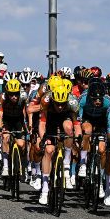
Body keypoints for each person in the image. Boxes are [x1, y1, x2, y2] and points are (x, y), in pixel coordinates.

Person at [37, 77, 80, 205]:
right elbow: (42, 124)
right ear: (53, 100)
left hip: (65, 119)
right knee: (49, 150)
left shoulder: (72, 102)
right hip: (50, 119)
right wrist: (43, 138)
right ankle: (44, 189)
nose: (60, 106)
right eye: (57, 104)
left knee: (68, 128)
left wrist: (77, 138)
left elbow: (76, 124)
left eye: (63, 104)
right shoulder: (46, 100)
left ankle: (66, 163)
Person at [77, 80, 110, 192]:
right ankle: (83, 162)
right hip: (87, 118)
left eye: (100, 99)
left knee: (102, 150)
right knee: (87, 130)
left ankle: (101, 177)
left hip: (102, 121)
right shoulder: (83, 99)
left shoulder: (109, 101)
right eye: (94, 99)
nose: (98, 102)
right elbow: (78, 120)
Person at [0, 77, 28, 177]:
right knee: (5, 137)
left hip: (18, 120)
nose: (14, 97)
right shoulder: (3, 97)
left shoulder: (24, 96)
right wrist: (0, 127)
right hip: (7, 120)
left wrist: (26, 126)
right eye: (11, 94)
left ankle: (22, 165)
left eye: (16, 94)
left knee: (21, 144)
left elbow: (25, 112)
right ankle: (5, 167)